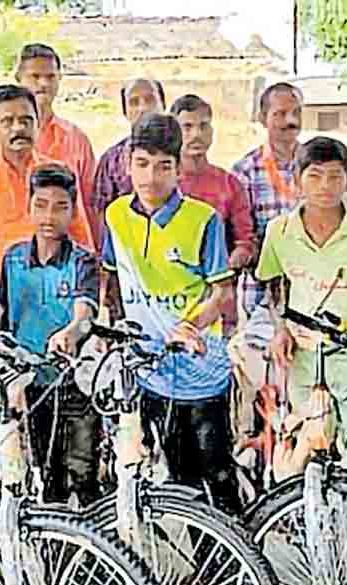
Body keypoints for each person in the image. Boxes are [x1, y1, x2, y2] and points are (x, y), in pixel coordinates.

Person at [101, 113, 239, 514]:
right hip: (149, 371)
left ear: (179, 169)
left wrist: (189, 325)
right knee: (175, 478)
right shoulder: (115, 217)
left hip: (202, 370)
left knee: (215, 479)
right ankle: (201, 571)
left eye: (163, 166)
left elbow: (221, 293)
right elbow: (109, 280)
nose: (151, 177)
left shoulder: (203, 220)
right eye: (142, 164)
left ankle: (235, 567)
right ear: (127, 164)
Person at [256, 136, 347, 471]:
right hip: (302, 356)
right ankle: (308, 519)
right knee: (306, 447)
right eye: (315, 175)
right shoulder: (280, 231)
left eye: (335, 176)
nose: (325, 186)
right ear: (298, 179)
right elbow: (276, 289)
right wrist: (280, 330)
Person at [0, 164, 100, 505]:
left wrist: (70, 333)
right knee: (47, 476)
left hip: (75, 386)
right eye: (40, 205)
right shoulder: (12, 259)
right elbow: (2, 315)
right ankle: (57, 554)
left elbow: (85, 315)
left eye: (60, 207)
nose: (49, 216)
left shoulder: (82, 261)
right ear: (28, 206)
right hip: (33, 386)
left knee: (83, 478)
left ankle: (95, 554)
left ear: (72, 211)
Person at [0, 84, 94, 328]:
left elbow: (82, 244)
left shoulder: (58, 175)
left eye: (26, 120)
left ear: (38, 125)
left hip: (59, 317)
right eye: (8, 121)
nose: (18, 128)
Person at [0, 44, 97, 241]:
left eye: (50, 77)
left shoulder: (77, 139)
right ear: (19, 79)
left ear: (60, 78)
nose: (43, 84)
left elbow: (89, 203)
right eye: (35, 76)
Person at [171, 93, 256, 330]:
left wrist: (225, 268)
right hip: (169, 301)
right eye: (186, 127)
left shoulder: (229, 184)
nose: (196, 134)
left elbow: (245, 242)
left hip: (219, 305)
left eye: (203, 126)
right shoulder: (161, 184)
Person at [232, 82, 306, 318]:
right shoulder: (245, 171)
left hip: (312, 288)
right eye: (280, 114)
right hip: (261, 292)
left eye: (296, 112)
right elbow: (242, 237)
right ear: (263, 118)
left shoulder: (318, 167)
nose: (290, 121)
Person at [90, 78, 166, 236]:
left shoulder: (182, 154)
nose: (143, 108)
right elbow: (100, 214)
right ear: (125, 112)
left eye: (150, 99)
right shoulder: (111, 160)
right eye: (134, 102)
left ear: (163, 105)